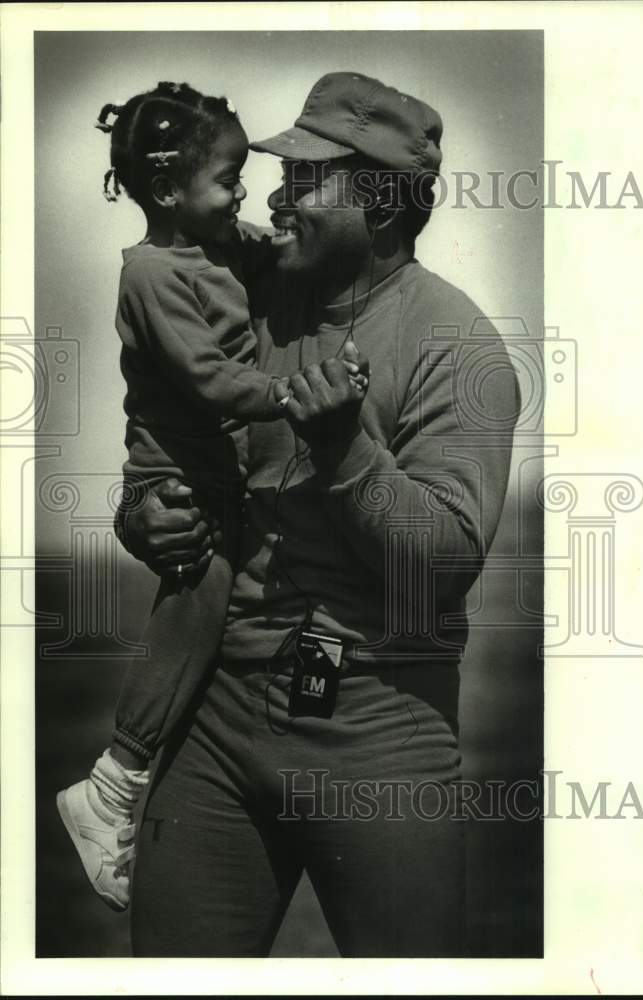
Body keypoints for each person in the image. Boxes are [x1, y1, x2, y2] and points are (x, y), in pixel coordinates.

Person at [119, 72, 520, 957]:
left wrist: (346, 448)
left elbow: (443, 565)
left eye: (306, 181)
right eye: (280, 177)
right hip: (216, 721)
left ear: (378, 207)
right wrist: (142, 515)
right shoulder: (239, 297)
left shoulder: (461, 347)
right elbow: (160, 436)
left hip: (382, 726)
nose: (273, 196)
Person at [55, 79, 367, 912]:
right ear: (165, 192)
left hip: (217, 474)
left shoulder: (221, 247)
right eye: (228, 181)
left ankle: (125, 777)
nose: (243, 197)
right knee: (199, 601)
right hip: (174, 467)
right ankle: (114, 779)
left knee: (205, 604)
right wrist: (287, 393)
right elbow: (204, 376)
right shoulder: (152, 274)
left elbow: (269, 255)